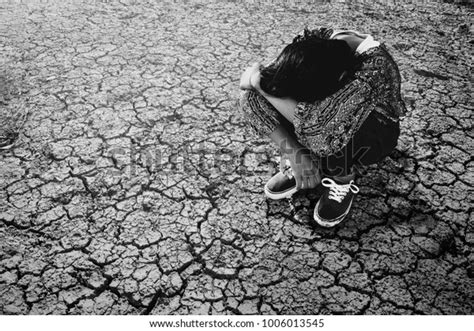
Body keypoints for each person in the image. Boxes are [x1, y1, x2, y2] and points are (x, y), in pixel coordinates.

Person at [239, 27, 407, 228]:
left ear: (340, 78)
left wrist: (258, 82)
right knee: (253, 98)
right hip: (319, 121)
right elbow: (252, 87)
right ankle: (306, 161)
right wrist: (294, 153)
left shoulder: (373, 69)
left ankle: (342, 179)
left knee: (322, 130)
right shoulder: (313, 45)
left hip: (371, 132)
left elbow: (319, 125)